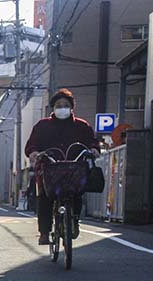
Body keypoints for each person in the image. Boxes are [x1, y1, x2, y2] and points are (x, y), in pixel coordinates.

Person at [24, 88, 100, 245]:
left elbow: (92, 141)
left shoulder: (81, 126)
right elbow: (31, 145)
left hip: (74, 168)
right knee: (44, 197)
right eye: (58, 105)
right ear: (53, 108)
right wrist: (34, 153)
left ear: (72, 107)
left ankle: (74, 220)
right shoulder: (42, 126)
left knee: (77, 194)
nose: (62, 108)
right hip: (49, 168)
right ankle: (44, 232)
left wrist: (93, 149)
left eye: (65, 105)